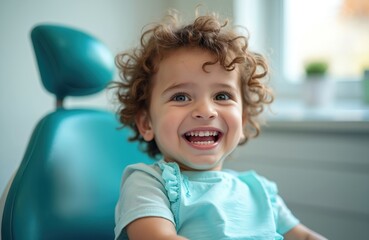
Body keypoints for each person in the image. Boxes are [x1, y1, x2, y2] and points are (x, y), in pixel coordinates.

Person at [112, 9, 327, 240]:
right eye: (181, 97)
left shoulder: (261, 191)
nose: (205, 111)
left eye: (222, 96)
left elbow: (305, 237)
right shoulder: (148, 185)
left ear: (242, 121)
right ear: (146, 123)